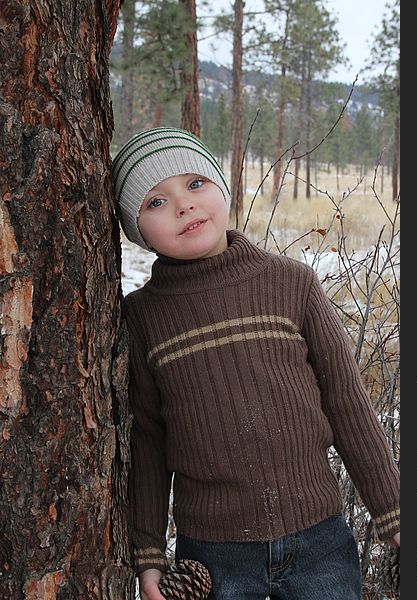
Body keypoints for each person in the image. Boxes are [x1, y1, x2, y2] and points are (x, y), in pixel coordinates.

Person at [112, 127, 400, 600]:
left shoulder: (292, 283)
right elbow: (148, 438)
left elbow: (347, 403)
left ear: (222, 188)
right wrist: (147, 554)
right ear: (136, 230)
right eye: (155, 202)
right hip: (213, 554)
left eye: (195, 184)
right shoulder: (143, 317)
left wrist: (392, 511)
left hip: (318, 537)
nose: (184, 204)